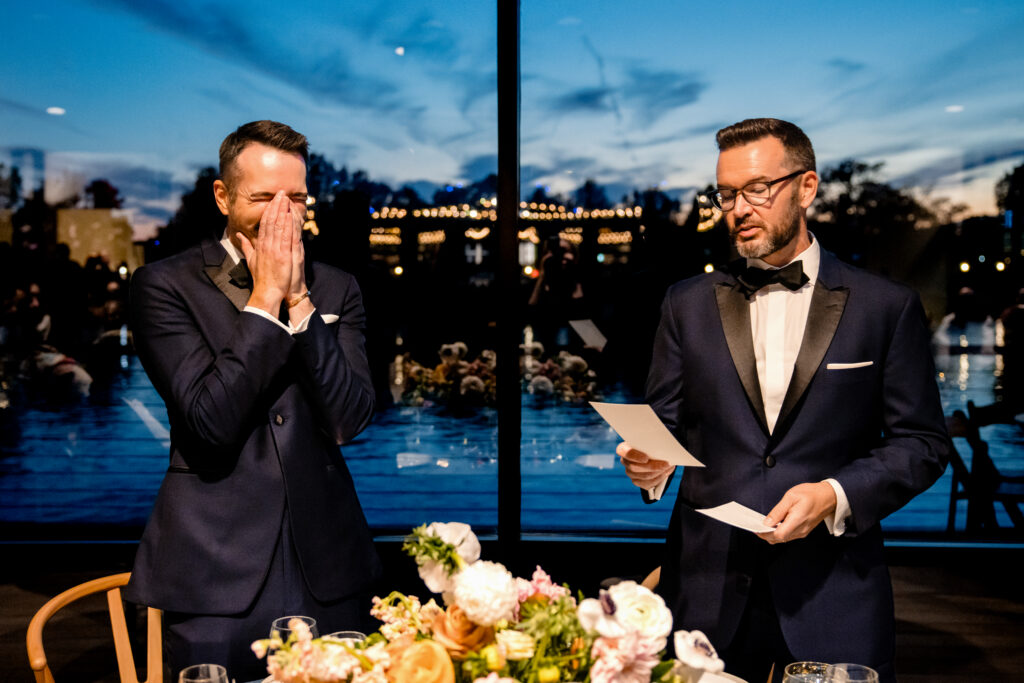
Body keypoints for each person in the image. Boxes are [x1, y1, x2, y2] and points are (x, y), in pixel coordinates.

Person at [617, 118, 949, 683]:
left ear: (806, 187)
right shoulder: (685, 304)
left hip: (834, 589)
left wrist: (834, 494)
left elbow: (922, 443)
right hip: (707, 591)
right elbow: (661, 428)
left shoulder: (884, 306)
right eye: (725, 194)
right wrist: (648, 466)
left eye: (756, 190)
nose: (738, 208)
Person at [124, 121, 380, 679]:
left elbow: (350, 417)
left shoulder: (336, 288)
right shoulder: (164, 286)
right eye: (263, 197)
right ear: (223, 196)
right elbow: (208, 420)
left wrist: (300, 300)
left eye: (296, 198)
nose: (281, 214)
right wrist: (266, 298)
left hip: (330, 563)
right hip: (214, 566)